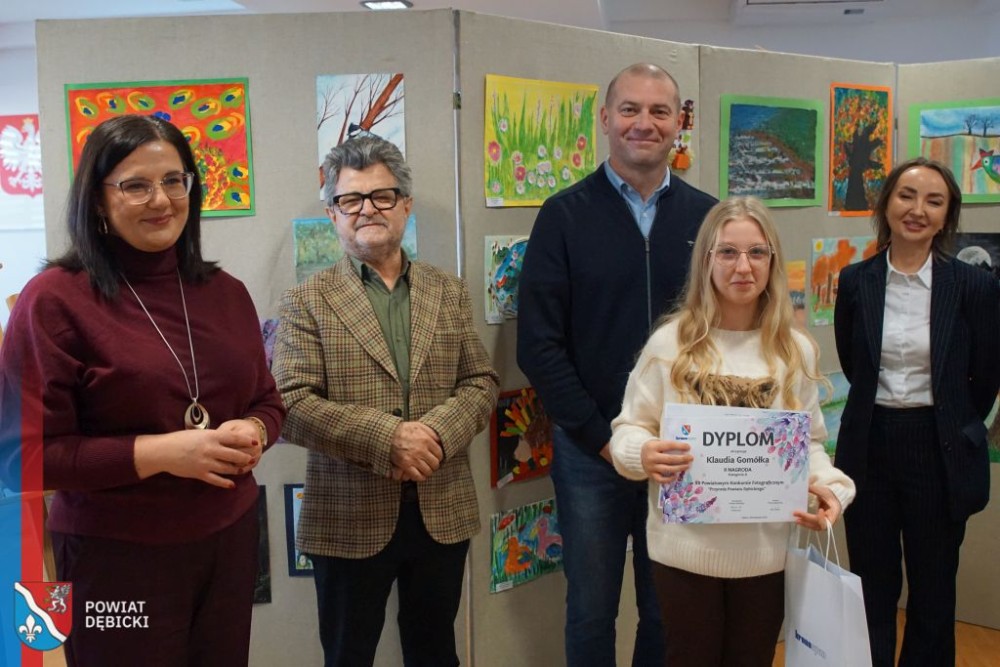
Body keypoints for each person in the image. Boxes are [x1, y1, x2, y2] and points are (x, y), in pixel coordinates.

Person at [0, 114, 285, 666]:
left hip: (228, 542)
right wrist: (161, 454)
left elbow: (268, 401)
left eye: (174, 180)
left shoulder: (226, 293)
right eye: (136, 185)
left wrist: (255, 429)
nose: (161, 200)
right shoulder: (53, 301)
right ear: (98, 199)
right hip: (115, 559)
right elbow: (20, 460)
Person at [271, 135, 499, 667]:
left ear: (406, 205)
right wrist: (388, 438)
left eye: (382, 195)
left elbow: (480, 382)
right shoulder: (305, 301)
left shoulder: (449, 291)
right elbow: (291, 404)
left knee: (435, 653)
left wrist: (434, 434)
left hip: (441, 510)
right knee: (347, 656)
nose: (367, 209)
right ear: (332, 213)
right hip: (346, 516)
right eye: (350, 199)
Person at [516, 63, 716, 665]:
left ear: (679, 124)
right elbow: (539, 346)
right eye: (630, 109)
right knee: (590, 610)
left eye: (659, 111)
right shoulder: (563, 215)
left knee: (667, 608)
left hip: (681, 450)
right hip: (591, 453)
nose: (643, 123)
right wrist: (603, 439)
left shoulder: (710, 218)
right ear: (605, 119)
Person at [609, 196, 856, 667]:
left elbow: (809, 444)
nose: (743, 266)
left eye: (757, 252)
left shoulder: (794, 350)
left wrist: (832, 489)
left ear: (772, 261)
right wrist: (644, 452)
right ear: (706, 259)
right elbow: (628, 428)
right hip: (684, 554)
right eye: (727, 252)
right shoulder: (670, 344)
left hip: (766, 556)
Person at [833, 157, 1000, 667]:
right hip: (870, 448)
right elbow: (854, 364)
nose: (917, 210)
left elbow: (985, 377)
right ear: (886, 203)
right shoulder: (856, 281)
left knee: (933, 590)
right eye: (907, 196)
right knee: (872, 586)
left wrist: (951, 420)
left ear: (947, 216)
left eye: (934, 201)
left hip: (939, 449)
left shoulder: (972, 286)